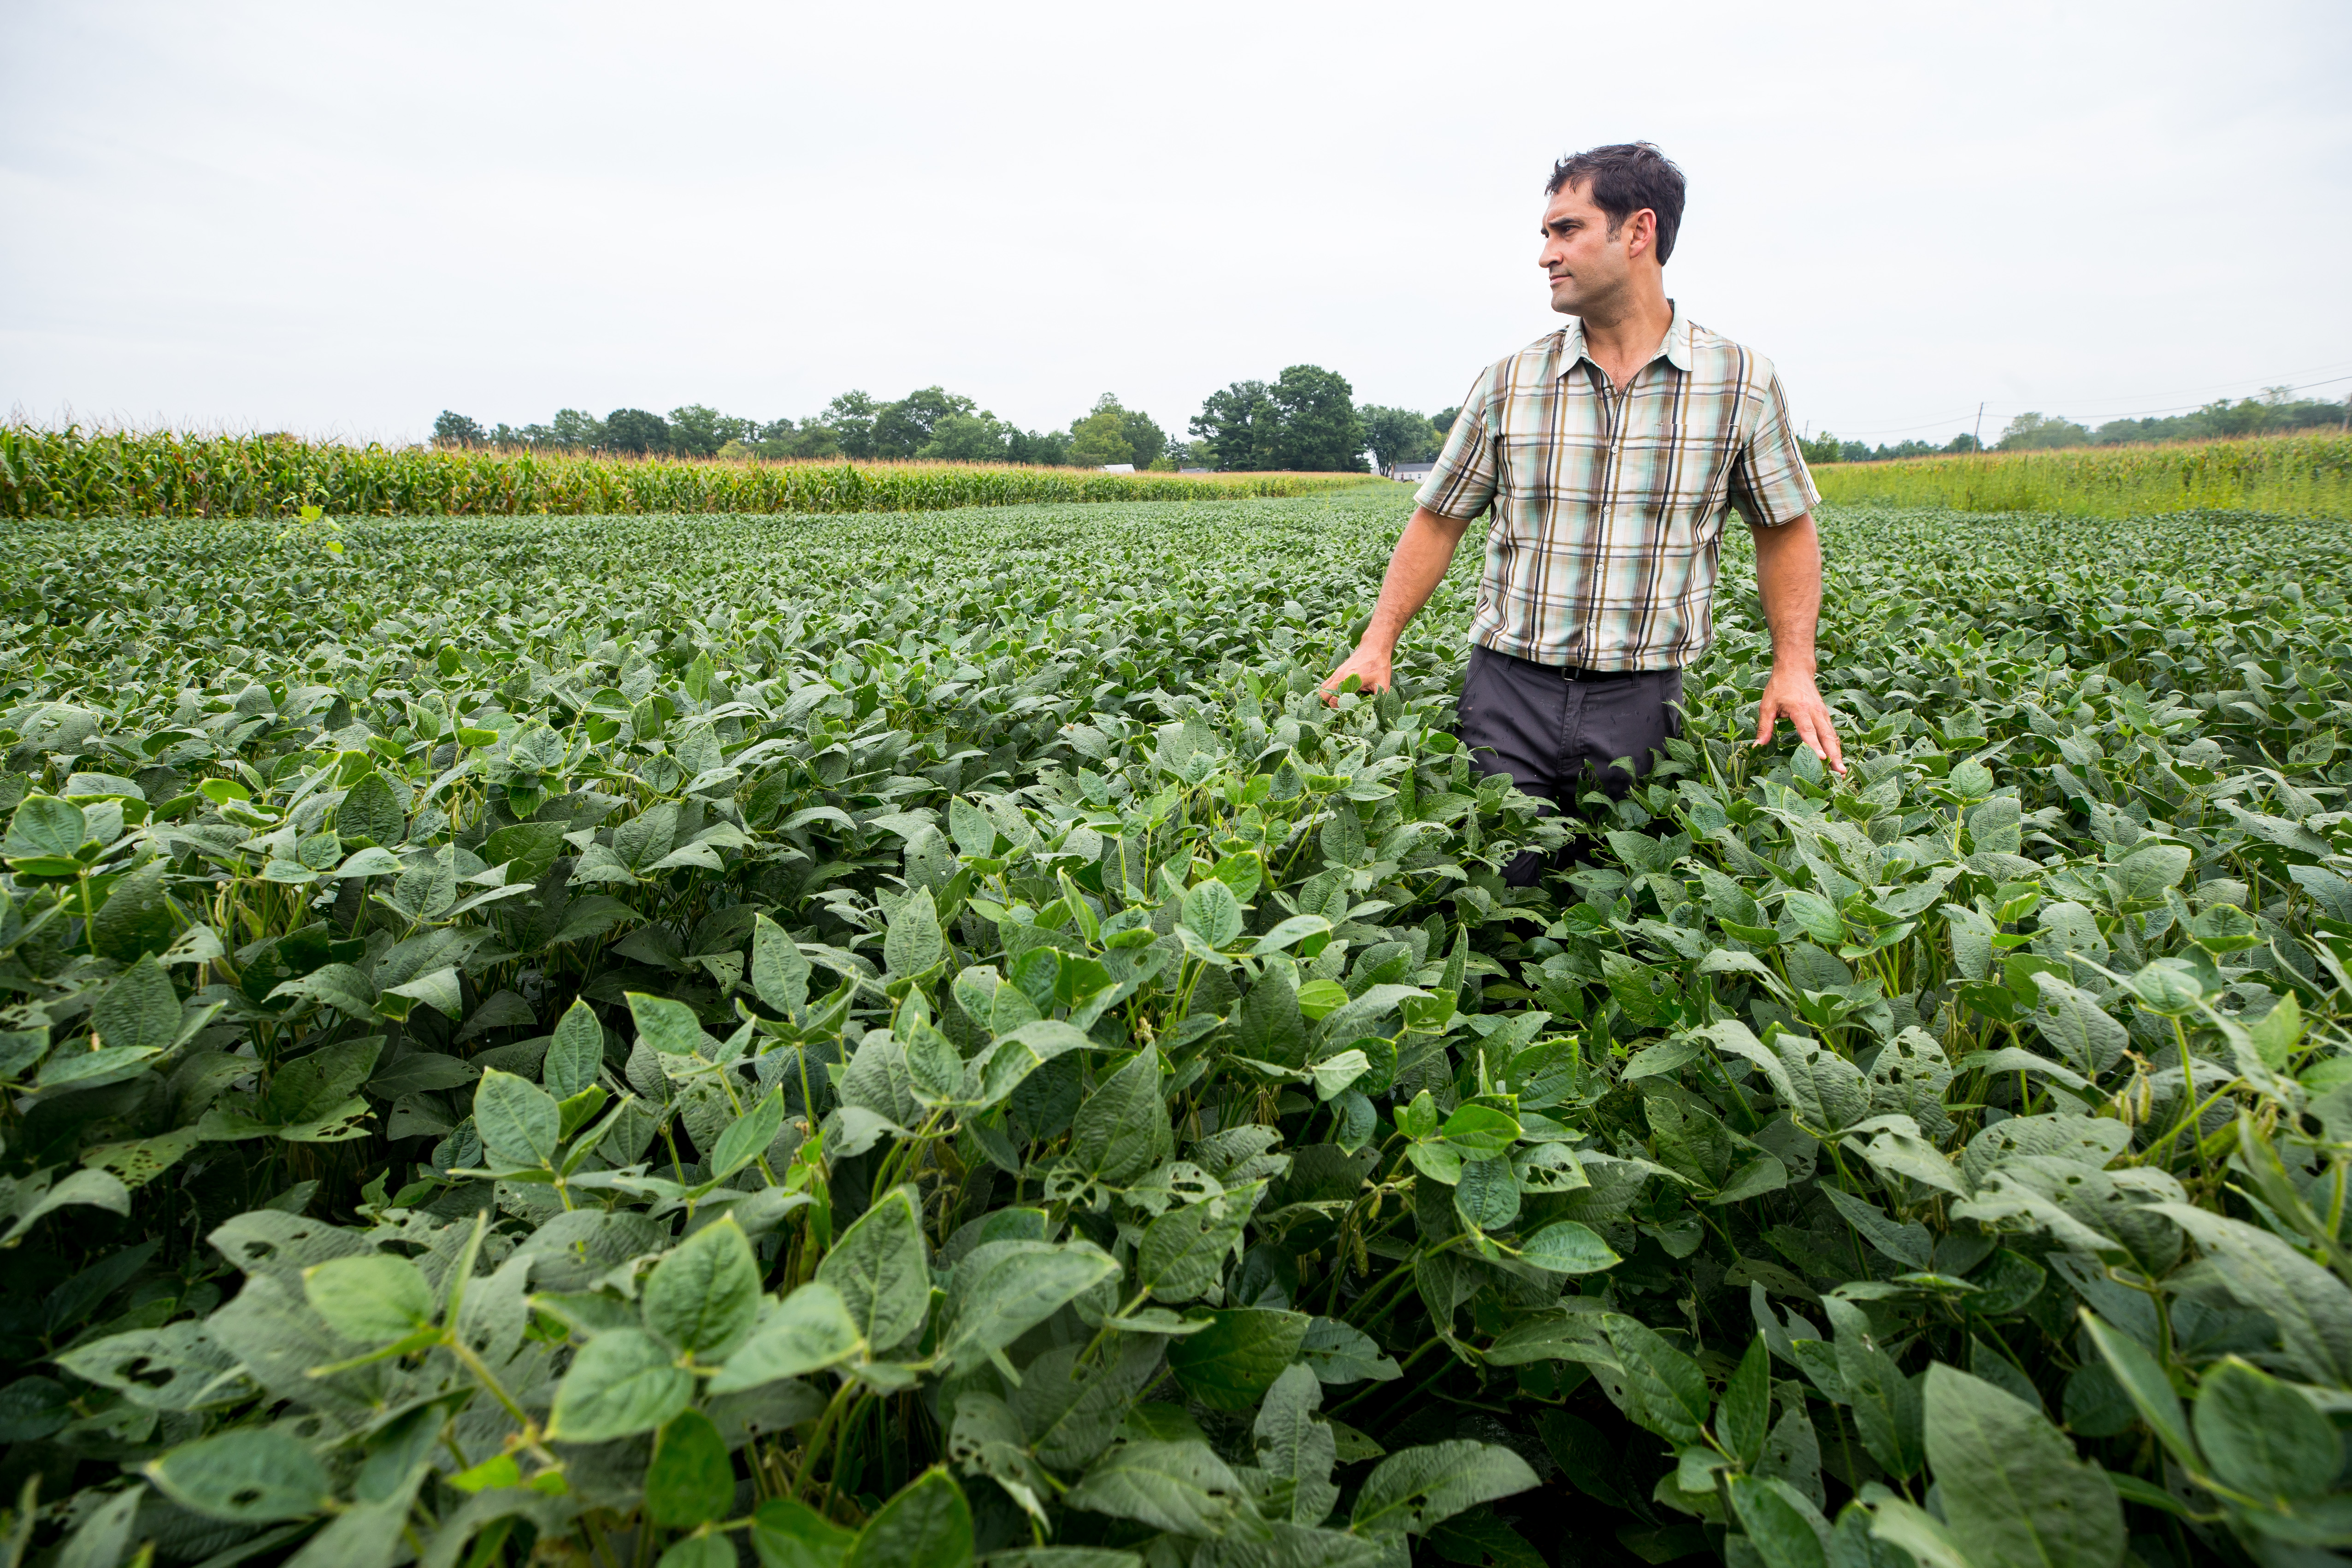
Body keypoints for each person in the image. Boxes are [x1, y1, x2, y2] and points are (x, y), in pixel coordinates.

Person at [1319, 141, 1843, 886]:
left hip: (1644, 701)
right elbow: (1438, 519)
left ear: (1638, 233)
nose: (1546, 255)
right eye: (1546, 234)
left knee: (1620, 912)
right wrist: (1378, 641)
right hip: (1507, 694)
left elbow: (1784, 527)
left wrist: (1795, 666)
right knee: (1498, 899)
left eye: (1566, 230)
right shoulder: (1511, 382)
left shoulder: (1740, 383)